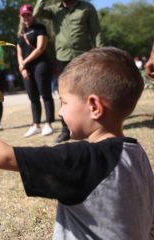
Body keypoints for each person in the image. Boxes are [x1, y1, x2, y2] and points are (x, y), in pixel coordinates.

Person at [0, 46, 154, 239]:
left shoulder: (82, 159)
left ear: (94, 107)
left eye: (64, 102)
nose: (60, 113)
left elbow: (3, 156)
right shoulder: (137, 154)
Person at [34, 0, 103, 143]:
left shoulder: (86, 7)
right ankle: (66, 130)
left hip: (83, 55)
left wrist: (100, 54)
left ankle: (92, 126)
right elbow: (36, 14)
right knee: (64, 94)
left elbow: (96, 32)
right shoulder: (54, 10)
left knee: (88, 91)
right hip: (62, 57)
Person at [17, 4, 54, 137]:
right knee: (33, 98)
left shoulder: (40, 28)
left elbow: (40, 48)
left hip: (40, 64)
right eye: (24, 15)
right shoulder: (21, 34)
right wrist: (22, 68)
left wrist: (25, 63)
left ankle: (49, 124)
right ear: (21, 17)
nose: (26, 17)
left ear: (33, 15)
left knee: (45, 94)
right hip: (27, 69)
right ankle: (36, 125)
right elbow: (19, 54)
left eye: (28, 14)